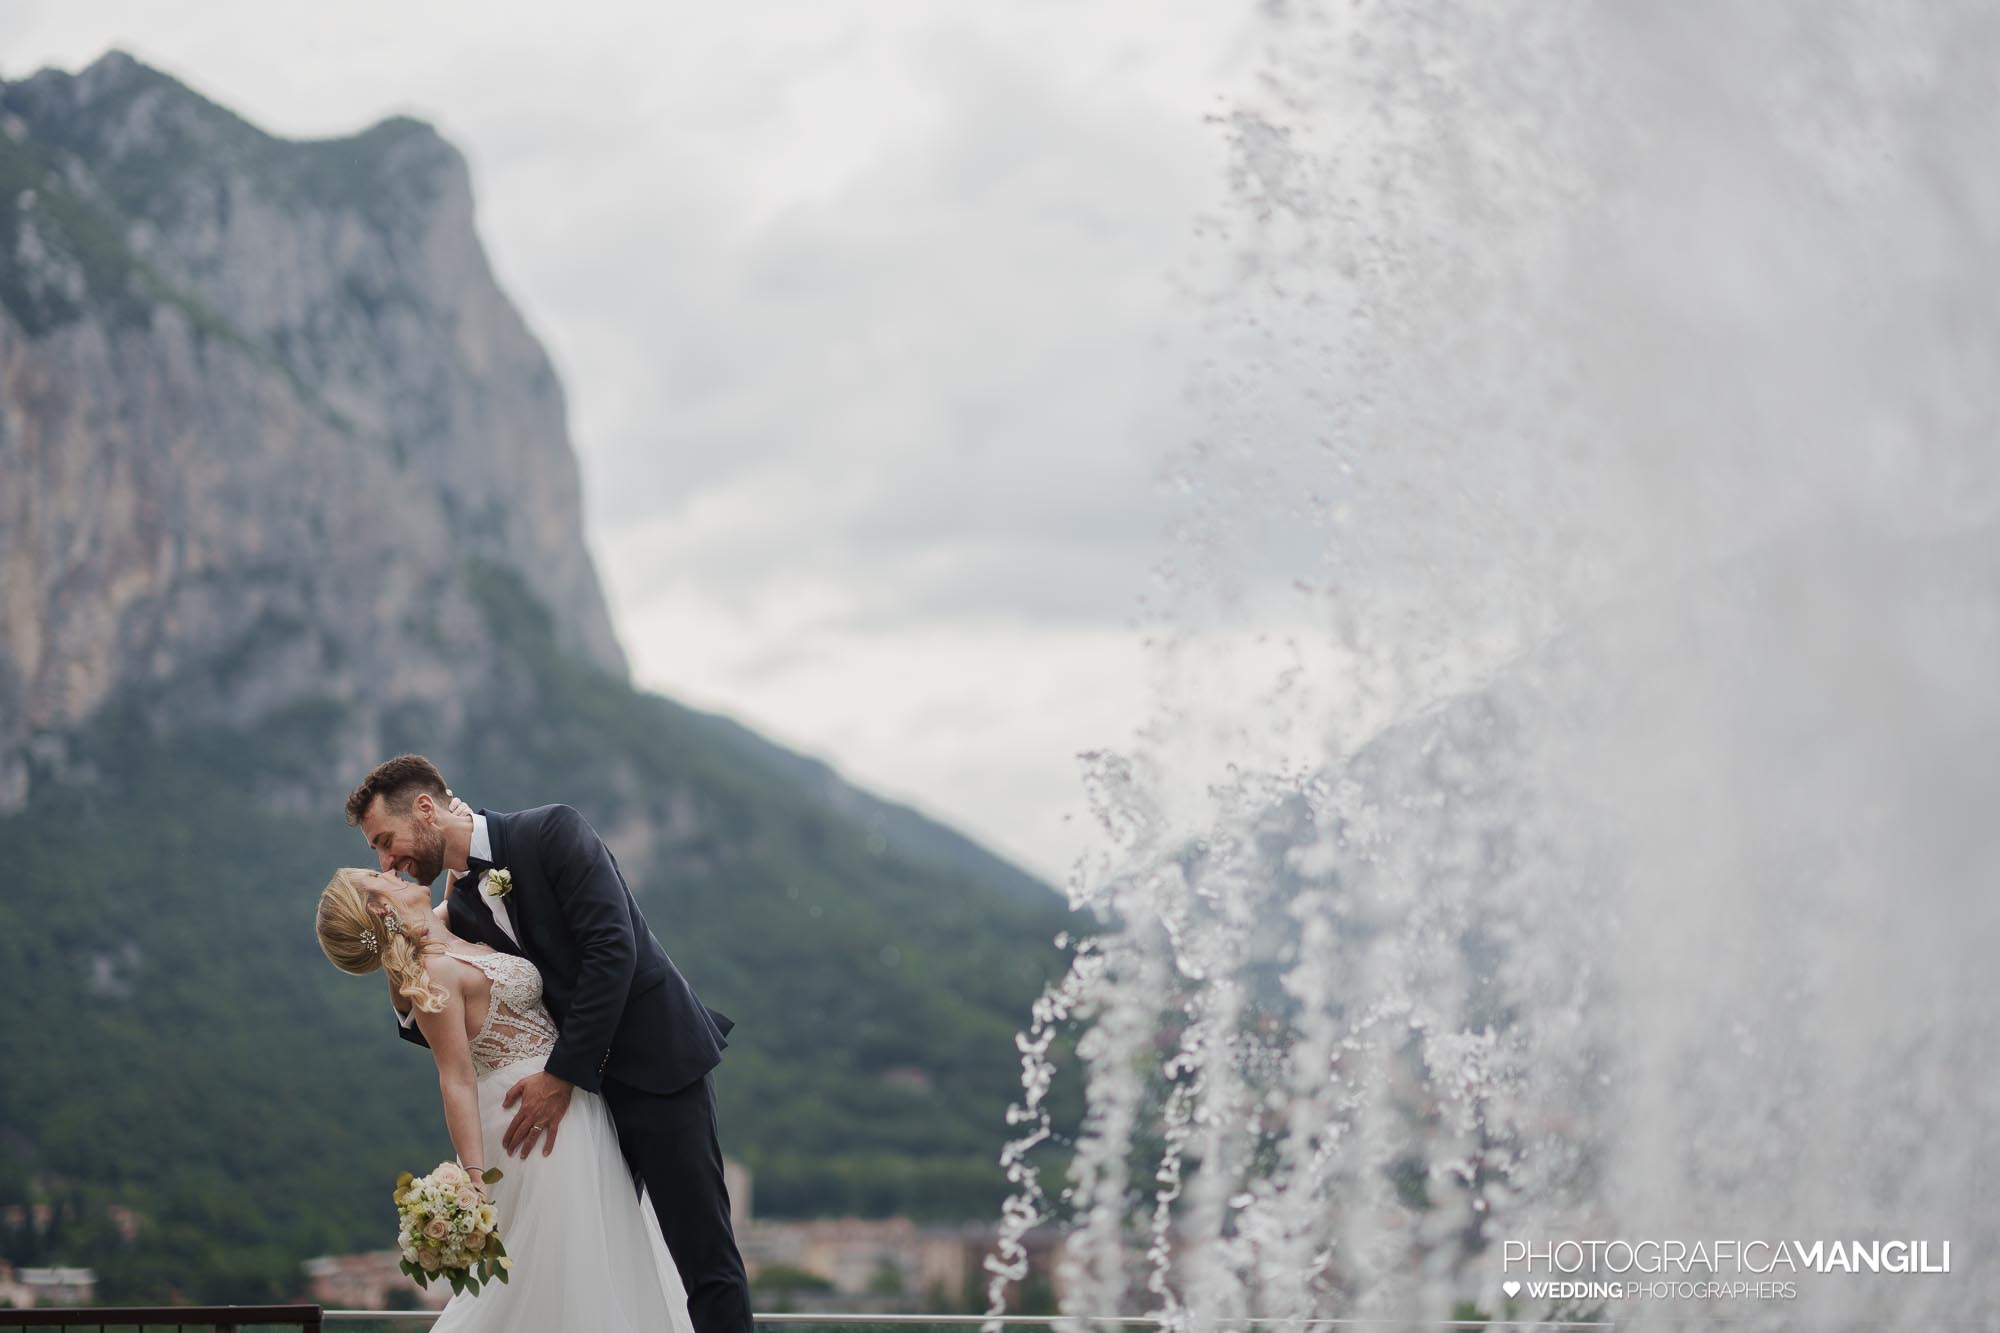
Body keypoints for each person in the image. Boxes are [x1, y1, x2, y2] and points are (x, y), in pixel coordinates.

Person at [338, 753, 753, 1333]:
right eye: (377, 853)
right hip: (583, 1114)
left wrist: (561, 1074)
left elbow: (614, 951)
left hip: (658, 1069)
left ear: (426, 809)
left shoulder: (553, 830)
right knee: (602, 1263)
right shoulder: (459, 906)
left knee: (703, 1261)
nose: (387, 860)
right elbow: (428, 1000)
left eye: (385, 840)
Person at [317, 867, 693, 1331]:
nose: (390, 868)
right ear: (378, 907)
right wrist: (474, 1180)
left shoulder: (438, 930)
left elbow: (441, 893)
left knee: (596, 1253)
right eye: (377, 874)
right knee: (559, 1265)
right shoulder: (429, 972)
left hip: (570, 1103)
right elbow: (454, 1078)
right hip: (527, 1124)